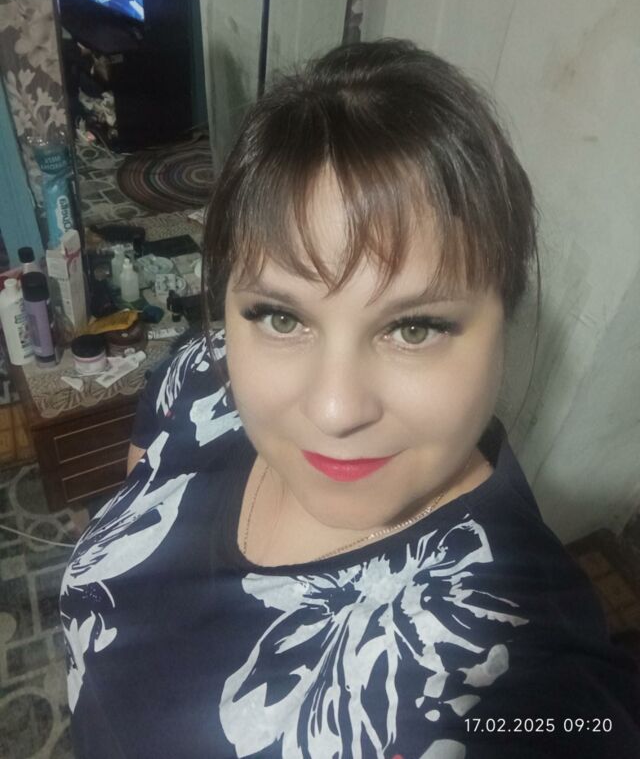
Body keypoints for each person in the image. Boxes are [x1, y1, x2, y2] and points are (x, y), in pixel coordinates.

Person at [60, 39, 640, 758]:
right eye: (282, 317)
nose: (335, 411)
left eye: (413, 327)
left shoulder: (514, 660)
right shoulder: (200, 378)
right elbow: (139, 499)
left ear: (505, 325)